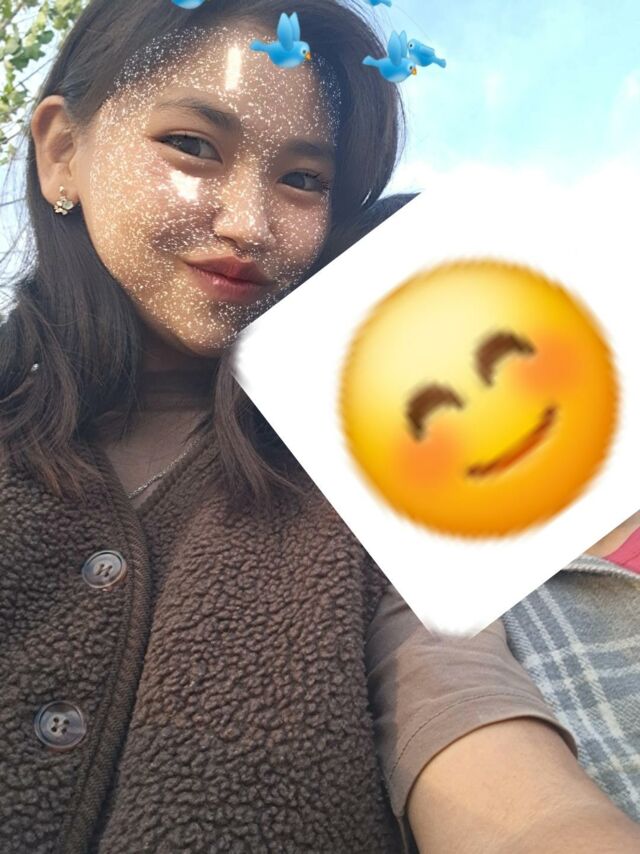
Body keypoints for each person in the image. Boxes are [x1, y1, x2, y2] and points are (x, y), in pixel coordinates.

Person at [1, 0, 639, 852]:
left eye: (304, 180)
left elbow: (467, 719)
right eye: (192, 145)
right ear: (61, 151)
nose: (248, 223)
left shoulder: (350, 472)